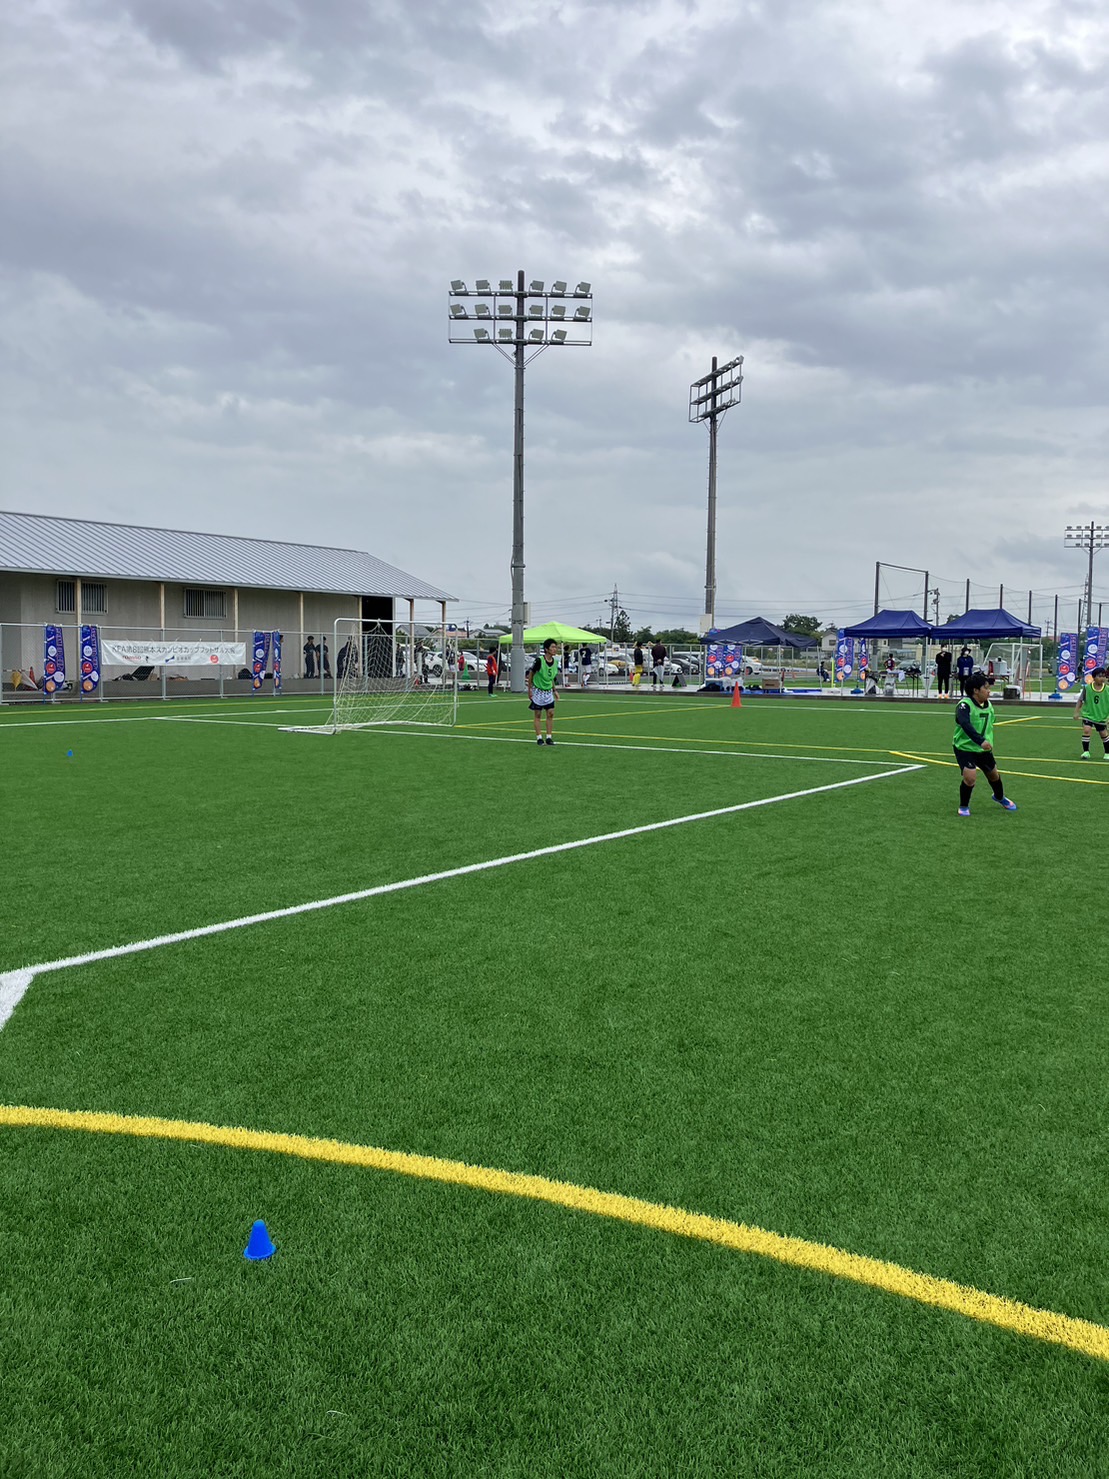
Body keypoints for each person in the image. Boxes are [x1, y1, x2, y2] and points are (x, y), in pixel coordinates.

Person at [953, 671, 1018, 817]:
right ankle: (964, 806)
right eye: (986, 688)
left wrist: (986, 742)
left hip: (983, 750)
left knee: (993, 775)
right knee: (970, 778)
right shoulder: (964, 705)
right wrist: (980, 740)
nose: (989, 691)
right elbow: (965, 724)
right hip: (965, 748)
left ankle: (999, 797)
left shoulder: (988, 705)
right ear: (976, 690)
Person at [528, 637, 559, 745]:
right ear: (546, 649)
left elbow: (551, 678)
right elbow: (531, 674)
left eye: (556, 647)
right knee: (538, 714)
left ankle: (549, 737)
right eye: (553, 647)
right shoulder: (539, 661)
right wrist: (530, 689)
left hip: (548, 691)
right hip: (538, 690)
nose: (555, 649)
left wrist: (554, 690)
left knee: (550, 713)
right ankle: (539, 738)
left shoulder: (555, 662)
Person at [1074, 665, 1109, 760]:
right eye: (1099, 676)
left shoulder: (1107, 690)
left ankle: (1107, 752)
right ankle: (1086, 752)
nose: (1102, 678)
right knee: (1086, 730)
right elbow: (1080, 700)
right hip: (1088, 715)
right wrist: (1076, 712)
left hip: (1101, 716)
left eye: (1104, 676)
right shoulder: (1087, 688)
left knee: (1103, 734)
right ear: (1094, 678)